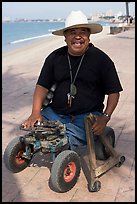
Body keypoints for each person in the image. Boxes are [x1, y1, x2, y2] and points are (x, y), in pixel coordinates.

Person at [22, 10, 123, 151]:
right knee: (35, 128)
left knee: (67, 139)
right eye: (72, 32)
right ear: (65, 37)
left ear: (89, 36)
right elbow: (42, 86)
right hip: (55, 113)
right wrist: (35, 112)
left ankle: (64, 142)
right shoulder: (55, 57)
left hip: (87, 116)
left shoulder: (101, 60)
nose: (78, 37)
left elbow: (114, 92)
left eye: (82, 32)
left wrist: (105, 118)